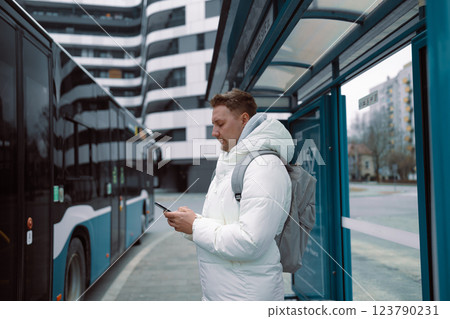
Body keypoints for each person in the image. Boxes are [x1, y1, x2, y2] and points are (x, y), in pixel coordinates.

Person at [164, 88, 294, 300]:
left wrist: (195, 226)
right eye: (213, 124)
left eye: (220, 124)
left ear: (244, 119)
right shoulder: (233, 164)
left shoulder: (264, 166)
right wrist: (192, 221)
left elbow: (250, 242)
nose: (214, 132)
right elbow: (227, 221)